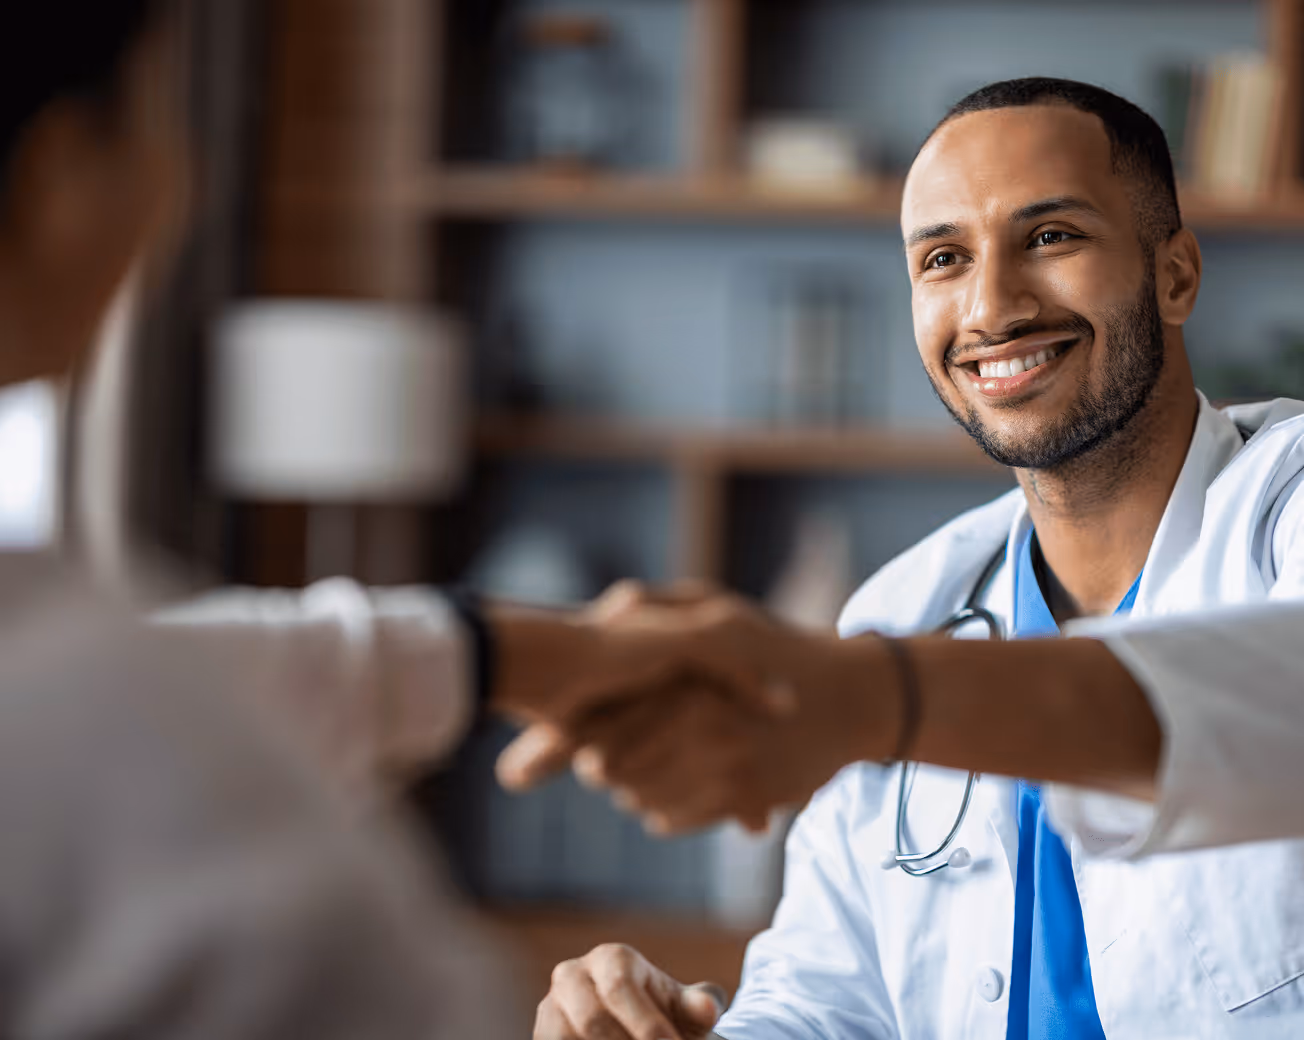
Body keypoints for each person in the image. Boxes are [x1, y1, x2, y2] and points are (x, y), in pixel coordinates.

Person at [0, 3, 800, 1035]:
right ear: (63, 182)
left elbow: (196, 675)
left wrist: (515, 651)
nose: (178, 178)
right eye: (159, 120)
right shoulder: (99, 710)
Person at [523, 78, 1304, 1040]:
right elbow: (824, 997)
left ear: (1175, 274)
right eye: (944, 258)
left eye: (1051, 237)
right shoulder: (903, 607)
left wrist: (873, 697)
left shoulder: (1285, 508)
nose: (991, 307)